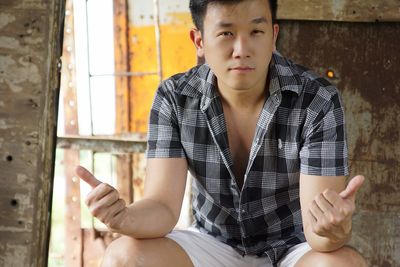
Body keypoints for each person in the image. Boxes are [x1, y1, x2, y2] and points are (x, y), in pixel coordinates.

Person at [75, 0, 369, 266]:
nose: (242, 49)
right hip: (211, 242)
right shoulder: (175, 97)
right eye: (226, 33)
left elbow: (318, 232)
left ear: (273, 36)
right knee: (122, 258)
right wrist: (125, 217)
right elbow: (163, 207)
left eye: (256, 32)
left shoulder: (317, 99)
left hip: (294, 246)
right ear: (199, 40)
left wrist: (334, 229)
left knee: (341, 264)